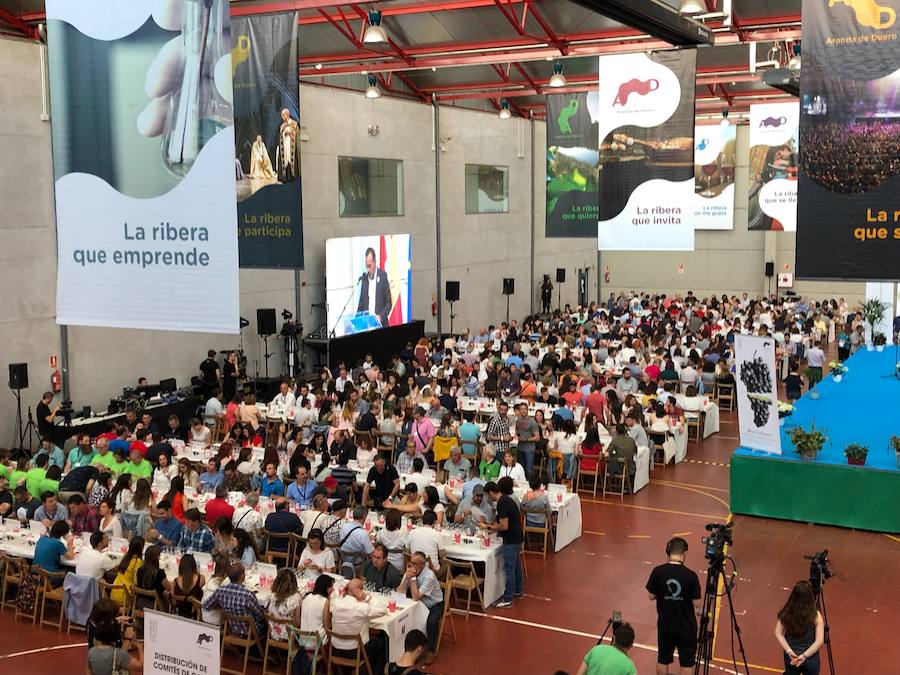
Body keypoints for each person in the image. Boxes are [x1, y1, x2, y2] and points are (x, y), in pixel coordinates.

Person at [646, 538, 702, 675]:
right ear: (684, 553)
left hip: (666, 624)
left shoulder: (657, 571)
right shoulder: (691, 576)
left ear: (668, 552)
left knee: (663, 659)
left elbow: (651, 596)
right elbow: (697, 603)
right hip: (686, 627)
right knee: (687, 662)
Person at [329, 578, 388, 675]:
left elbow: (333, 597)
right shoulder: (360, 608)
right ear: (360, 591)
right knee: (381, 643)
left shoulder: (336, 603)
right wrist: (366, 597)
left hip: (336, 649)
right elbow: (383, 610)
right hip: (355, 651)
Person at [398, 551, 444, 664]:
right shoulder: (409, 571)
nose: (411, 565)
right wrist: (406, 579)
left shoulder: (429, 576)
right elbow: (399, 592)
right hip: (417, 604)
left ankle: (431, 650)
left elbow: (416, 596)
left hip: (433, 604)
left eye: (414, 563)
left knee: (431, 623)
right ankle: (410, 647)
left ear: (422, 565)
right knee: (404, 616)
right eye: (410, 562)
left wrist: (412, 579)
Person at [484, 477, 523, 608]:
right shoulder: (507, 500)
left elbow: (504, 526)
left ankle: (507, 598)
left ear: (490, 492)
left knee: (509, 569)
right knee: (516, 566)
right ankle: (518, 590)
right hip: (517, 537)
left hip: (511, 539)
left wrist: (489, 527)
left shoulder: (502, 503)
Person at [203, 562, 266, 639]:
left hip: (232, 629)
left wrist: (223, 606)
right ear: (242, 577)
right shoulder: (248, 595)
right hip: (251, 631)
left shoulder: (220, 591)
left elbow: (206, 606)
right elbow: (260, 616)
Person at [775, 581, 825, 675]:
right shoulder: (816, 615)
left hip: (791, 657)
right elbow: (819, 641)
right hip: (810, 658)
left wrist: (789, 651)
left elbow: (778, 633)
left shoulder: (786, 612)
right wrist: (804, 656)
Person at [357, 246, 392, 326]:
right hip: (367, 326)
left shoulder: (383, 276)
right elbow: (361, 306)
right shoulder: (364, 279)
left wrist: (380, 316)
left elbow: (389, 303)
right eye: (366, 266)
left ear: (375, 262)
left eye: (369, 266)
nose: (368, 270)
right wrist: (355, 322)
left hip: (380, 325)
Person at [266, 568, 302, 641]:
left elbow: (268, 612)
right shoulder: (296, 599)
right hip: (289, 635)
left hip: (273, 632)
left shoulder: (271, 595)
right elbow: (298, 623)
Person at [338, 506, 374, 575]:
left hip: (343, 559)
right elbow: (370, 553)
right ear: (364, 517)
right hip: (357, 563)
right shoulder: (363, 534)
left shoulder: (344, 527)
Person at [111, 536, 144, 605]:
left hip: (114, 592)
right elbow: (136, 581)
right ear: (141, 548)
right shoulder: (138, 562)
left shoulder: (125, 557)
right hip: (126, 595)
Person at [514, 402, 540, 476]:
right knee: (520, 470)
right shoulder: (518, 420)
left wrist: (526, 439)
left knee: (529, 470)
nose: (523, 411)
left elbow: (537, 438)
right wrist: (518, 436)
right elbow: (517, 430)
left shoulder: (532, 422)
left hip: (529, 449)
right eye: (521, 409)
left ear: (527, 410)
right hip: (520, 448)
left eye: (525, 409)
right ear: (519, 410)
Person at [277, 108, 299, 183]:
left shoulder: (294, 124)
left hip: (292, 148)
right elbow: (280, 137)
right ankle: (285, 177)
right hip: (285, 147)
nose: (282, 117)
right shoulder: (282, 126)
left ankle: (294, 177)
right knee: (285, 161)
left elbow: (296, 135)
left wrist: (290, 132)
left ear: (287, 115)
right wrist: (284, 133)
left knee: (292, 160)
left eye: (283, 115)